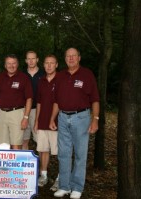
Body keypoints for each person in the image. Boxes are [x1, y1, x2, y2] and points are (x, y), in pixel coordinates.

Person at [49, 48, 100, 199]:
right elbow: (57, 101)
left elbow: (95, 99)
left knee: (80, 154)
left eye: (74, 56)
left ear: (79, 57)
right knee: (63, 154)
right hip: (63, 118)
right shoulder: (60, 76)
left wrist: (95, 119)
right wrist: (53, 118)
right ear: (65, 59)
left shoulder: (87, 74)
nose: (71, 58)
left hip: (81, 118)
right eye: (68, 56)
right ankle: (64, 186)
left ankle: (77, 187)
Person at [0, 54, 33, 150]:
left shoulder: (24, 78)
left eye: (14, 63)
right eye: (9, 63)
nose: (11, 66)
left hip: (17, 114)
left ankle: (15, 165)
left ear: (18, 64)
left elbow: (29, 98)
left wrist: (26, 117)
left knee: (16, 144)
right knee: (3, 145)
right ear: (5, 65)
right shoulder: (0, 77)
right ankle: (5, 165)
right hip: (2, 113)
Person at [33, 55, 59, 191]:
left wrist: (53, 119)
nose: (49, 66)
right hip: (42, 120)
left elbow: (60, 101)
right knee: (43, 149)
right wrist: (37, 121)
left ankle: (61, 179)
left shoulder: (61, 80)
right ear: (43, 65)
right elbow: (39, 103)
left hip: (57, 122)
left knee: (59, 151)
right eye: (47, 63)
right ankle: (43, 175)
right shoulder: (41, 81)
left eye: (52, 63)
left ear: (56, 65)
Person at [23, 51, 44, 150]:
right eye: (29, 59)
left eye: (33, 58)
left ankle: (40, 165)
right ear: (26, 61)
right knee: (23, 139)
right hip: (23, 110)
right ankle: (23, 164)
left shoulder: (44, 74)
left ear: (37, 60)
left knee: (39, 140)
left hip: (38, 110)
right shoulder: (21, 75)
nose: (31, 61)